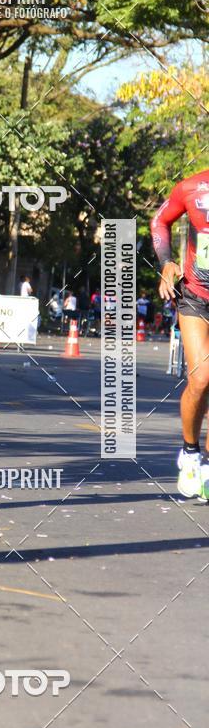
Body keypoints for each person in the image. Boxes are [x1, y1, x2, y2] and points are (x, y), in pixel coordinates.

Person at [151, 169, 209, 498]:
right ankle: (189, 453)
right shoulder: (192, 186)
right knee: (201, 379)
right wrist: (166, 262)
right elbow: (160, 221)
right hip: (196, 295)